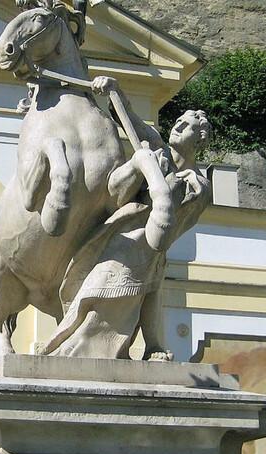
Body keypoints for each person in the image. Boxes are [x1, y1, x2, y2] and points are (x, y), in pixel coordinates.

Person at [40, 83, 212, 359]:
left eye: (188, 125)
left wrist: (177, 186)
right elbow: (129, 118)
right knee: (96, 290)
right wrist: (115, 91)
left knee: (145, 292)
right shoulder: (156, 148)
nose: (178, 126)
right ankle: (66, 347)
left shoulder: (199, 185)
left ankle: (149, 347)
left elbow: (179, 223)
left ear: (200, 140)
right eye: (178, 121)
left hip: (151, 245)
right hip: (121, 236)